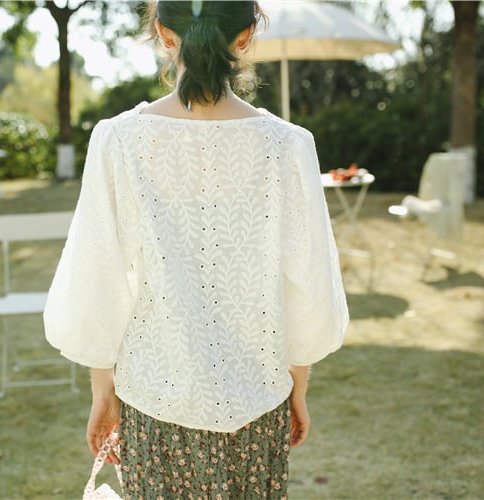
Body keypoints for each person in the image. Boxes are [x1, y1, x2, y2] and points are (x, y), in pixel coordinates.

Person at [44, 1, 349, 497]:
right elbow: (308, 285)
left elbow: (98, 276)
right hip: (258, 402)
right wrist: (299, 386)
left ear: (164, 34)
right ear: (246, 37)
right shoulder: (289, 145)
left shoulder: (118, 140)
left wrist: (103, 391)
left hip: (154, 400)